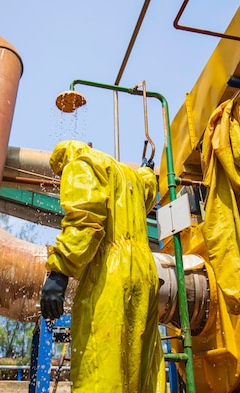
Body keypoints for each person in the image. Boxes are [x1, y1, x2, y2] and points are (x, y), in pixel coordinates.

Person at [40, 140, 165, 393]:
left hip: (111, 273)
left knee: (101, 365)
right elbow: (149, 189)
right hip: (146, 270)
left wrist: (60, 272)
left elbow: (85, 222)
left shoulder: (82, 164)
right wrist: (147, 170)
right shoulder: (128, 174)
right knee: (139, 365)